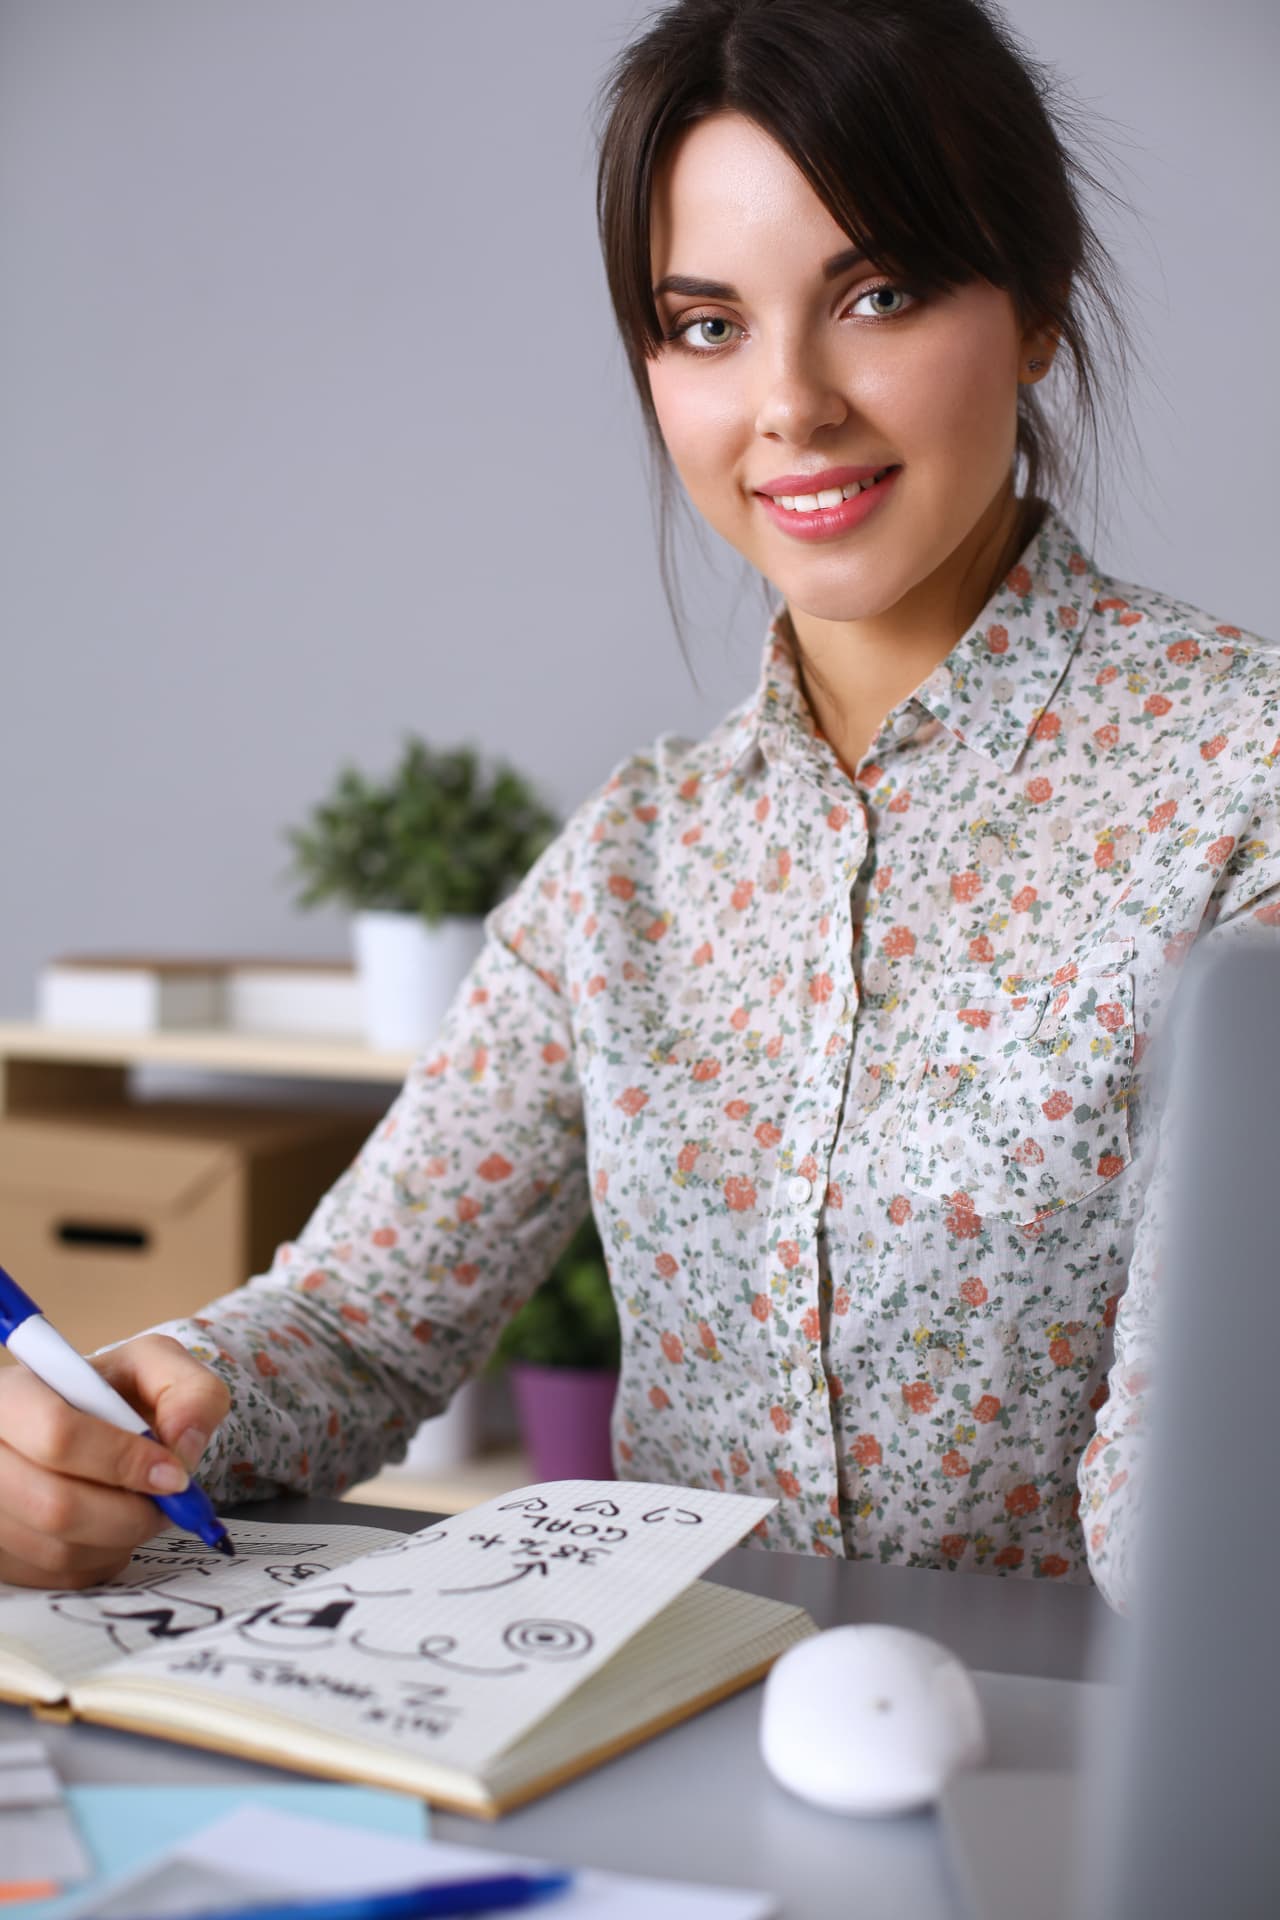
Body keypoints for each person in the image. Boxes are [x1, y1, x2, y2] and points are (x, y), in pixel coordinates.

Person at [1, 0, 1275, 1611]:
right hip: (673, 1785)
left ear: (1037, 307)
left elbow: (1203, 1501)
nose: (792, 404)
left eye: (877, 293)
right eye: (706, 325)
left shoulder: (1249, 787)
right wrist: (128, 1415)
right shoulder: (634, 858)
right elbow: (362, 1319)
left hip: (1089, 1804)